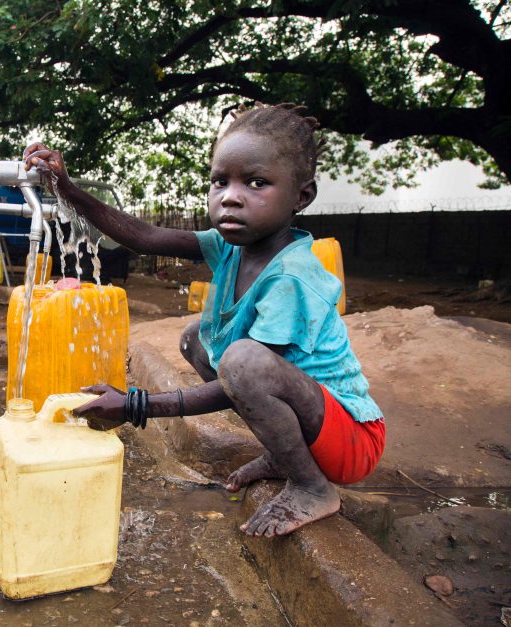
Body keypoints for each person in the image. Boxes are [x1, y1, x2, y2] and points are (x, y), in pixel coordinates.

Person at [23, 103, 385, 538]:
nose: (231, 196)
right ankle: (285, 455)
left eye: (256, 183)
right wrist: (67, 188)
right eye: (220, 181)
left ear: (301, 197)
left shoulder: (292, 277)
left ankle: (312, 487)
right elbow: (145, 236)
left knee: (242, 362)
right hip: (313, 424)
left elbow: (242, 378)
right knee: (197, 337)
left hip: (351, 440)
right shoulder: (231, 247)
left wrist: (135, 405)